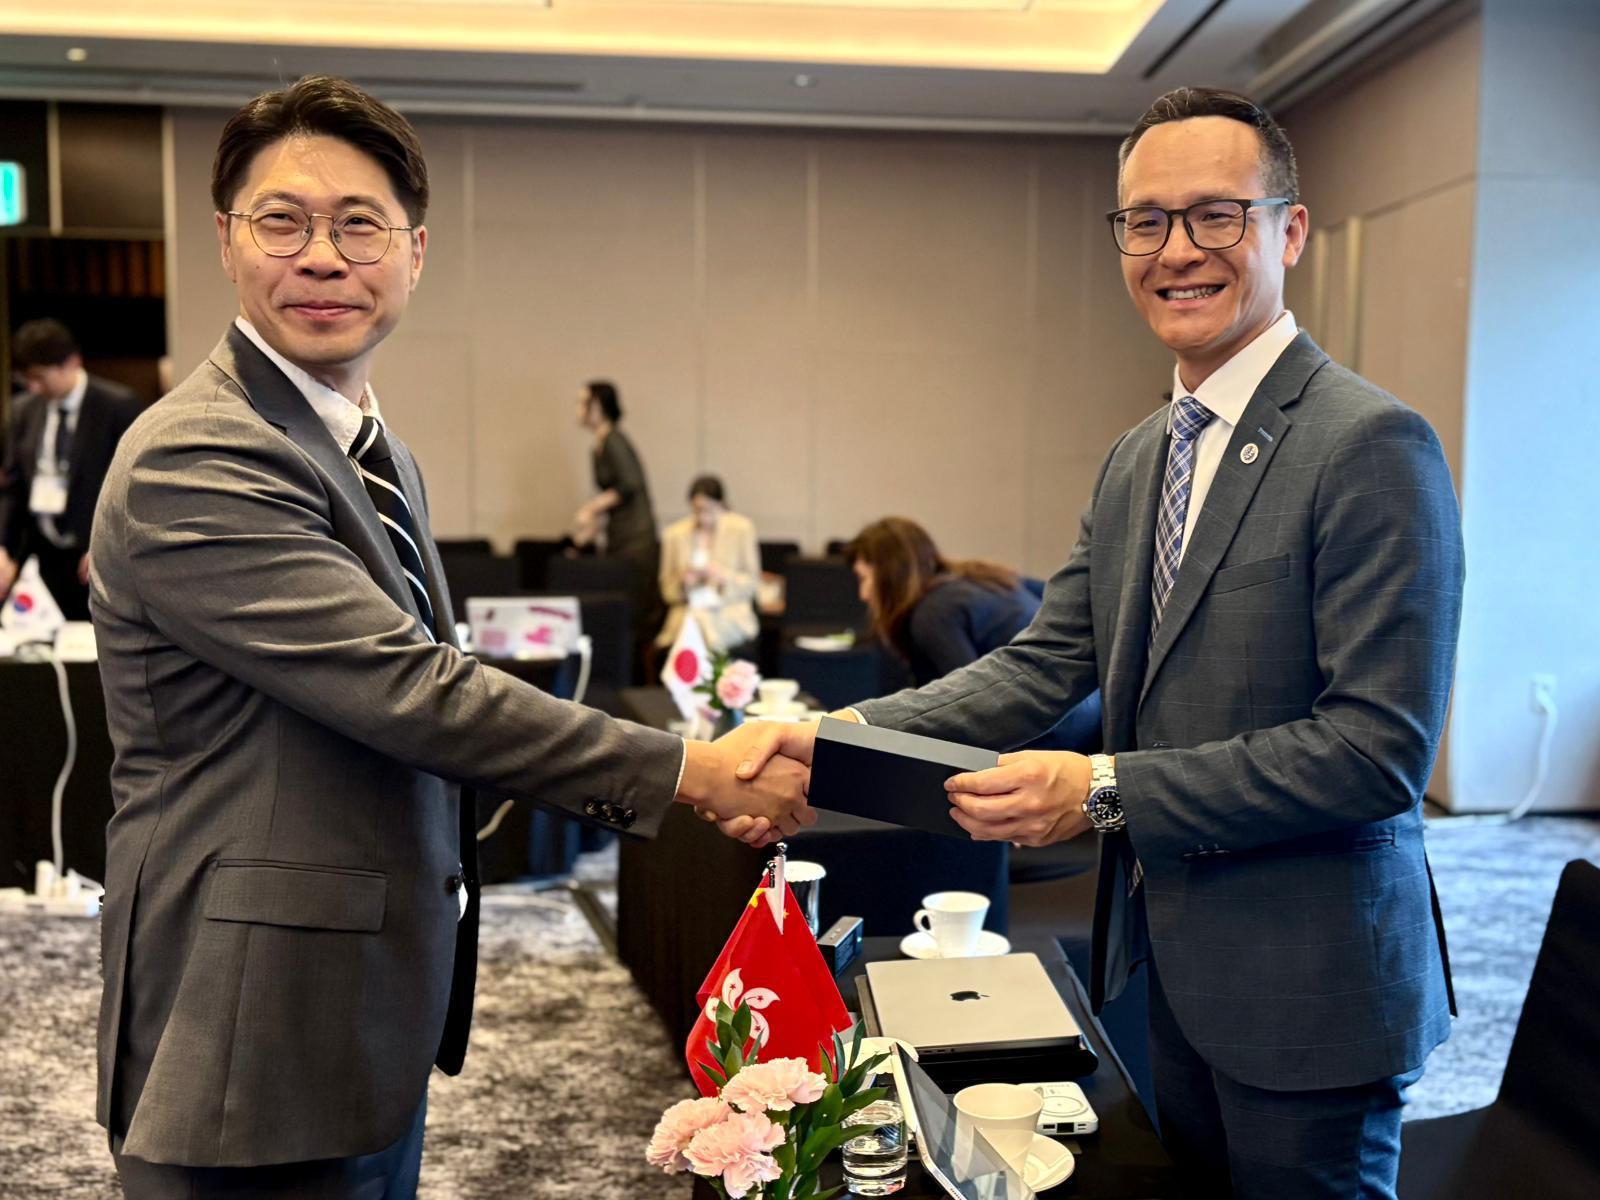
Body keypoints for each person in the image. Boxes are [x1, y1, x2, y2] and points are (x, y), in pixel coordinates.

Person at [89, 75, 810, 1197]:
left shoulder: (373, 449)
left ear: (414, 254)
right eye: (282, 221)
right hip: (244, 1023)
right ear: (226, 240)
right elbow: (411, 690)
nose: (322, 257)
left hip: (351, 1001)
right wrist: (696, 771)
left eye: (359, 224)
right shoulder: (199, 455)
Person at [737, 87, 1463, 1198]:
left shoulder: (1369, 443)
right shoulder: (1140, 458)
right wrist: (834, 740)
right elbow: (1041, 663)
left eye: (1216, 215)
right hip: (1165, 961)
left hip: (1310, 983)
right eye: (1146, 220)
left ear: (1291, 232)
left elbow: (1375, 753)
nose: (1176, 250)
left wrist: (1102, 791)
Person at [0, 319, 141, 618]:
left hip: (94, 557)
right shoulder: (24, 409)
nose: (34, 387)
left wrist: (111, 545)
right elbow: (13, 488)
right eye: (27, 378)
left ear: (71, 363)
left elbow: (135, 488)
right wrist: (3, 548)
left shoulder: (117, 406)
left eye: (40, 377)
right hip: (41, 556)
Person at [845, 516, 1042, 688]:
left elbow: (968, 697)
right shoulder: (977, 577)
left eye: (863, 579)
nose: (863, 595)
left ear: (890, 576)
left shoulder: (931, 614)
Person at [573, 379, 663, 671]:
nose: (578, 410)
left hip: (636, 541)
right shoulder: (599, 446)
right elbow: (612, 497)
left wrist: (590, 508)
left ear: (598, 407)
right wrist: (590, 528)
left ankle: (638, 679)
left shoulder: (614, 440)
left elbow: (629, 484)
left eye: (583, 403)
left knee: (636, 615)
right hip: (619, 536)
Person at [657, 474, 760, 655]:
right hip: (687, 611)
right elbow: (667, 590)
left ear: (720, 504)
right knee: (697, 620)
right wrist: (684, 583)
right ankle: (714, 667)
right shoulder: (674, 535)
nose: (703, 516)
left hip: (728, 612)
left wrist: (723, 577)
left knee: (702, 624)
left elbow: (752, 583)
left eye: (709, 509)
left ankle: (703, 667)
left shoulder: (741, 529)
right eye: (697, 510)